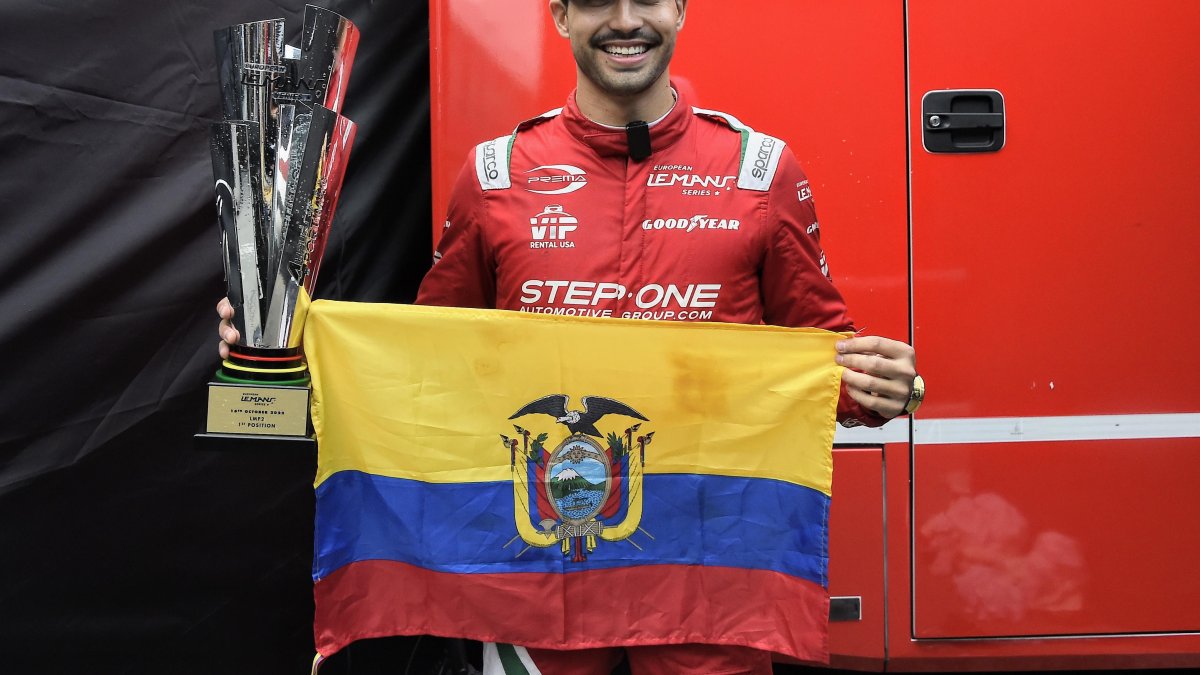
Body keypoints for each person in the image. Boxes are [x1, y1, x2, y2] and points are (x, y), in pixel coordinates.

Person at [220, 0, 920, 672]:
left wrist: (883, 386)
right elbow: (432, 368)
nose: (624, 20)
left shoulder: (759, 172)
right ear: (560, 15)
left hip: (705, 571)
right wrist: (290, 349)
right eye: (594, 2)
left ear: (680, 9)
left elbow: (826, 359)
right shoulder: (497, 175)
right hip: (535, 565)